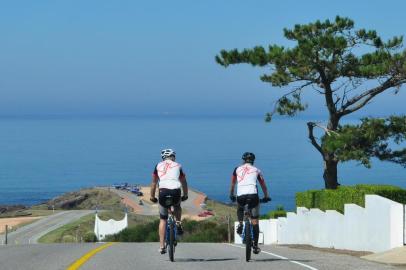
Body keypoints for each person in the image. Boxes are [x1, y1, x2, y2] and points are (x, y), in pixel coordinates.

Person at [229, 152, 270, 254]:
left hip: (241, 196)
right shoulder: (257, 170)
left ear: (243, 160)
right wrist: (266, 196)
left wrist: (231, 194)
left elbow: (233, 183)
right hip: (253, 196)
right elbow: (263, 185)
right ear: (253, 161)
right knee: (255, 221)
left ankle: (240, 223)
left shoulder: (237, 169)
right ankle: (255, 246)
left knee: (239, 207)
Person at [150, 148, 188, 254]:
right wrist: (185, 195)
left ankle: (162, 246)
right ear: (173, 157)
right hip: (175, 192)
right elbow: (184, 182)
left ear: (163, 158)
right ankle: (178, 222)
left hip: (162, 193)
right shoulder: (178, 166)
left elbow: (153, 183)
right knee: (177, 206)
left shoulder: (157, 166)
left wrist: (152, 197)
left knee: (163, 219)